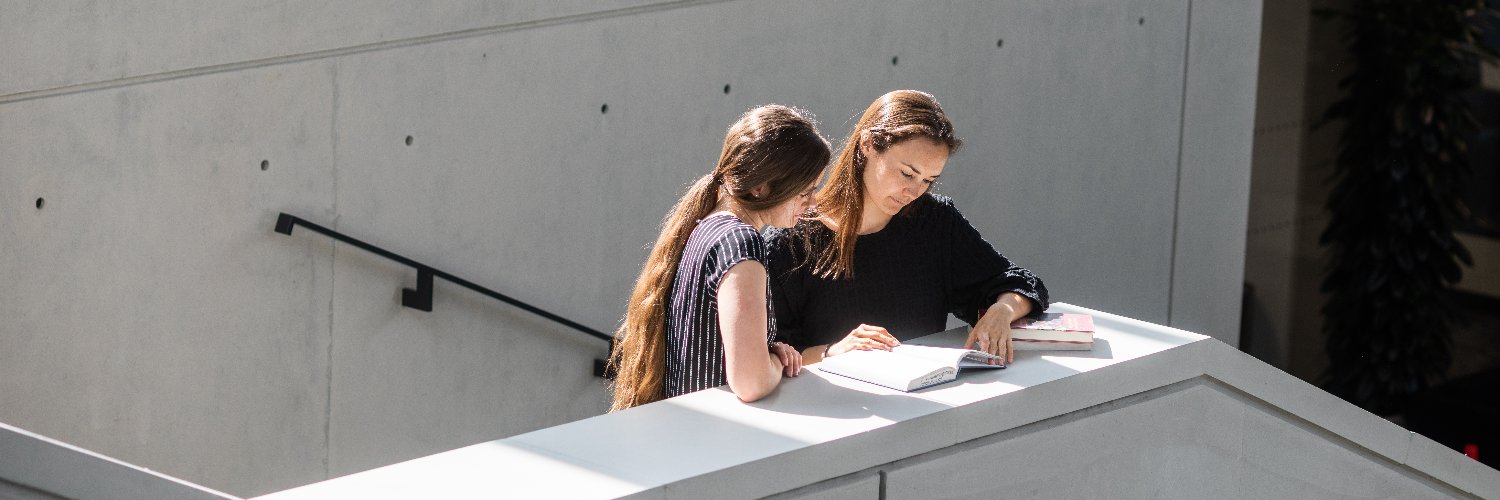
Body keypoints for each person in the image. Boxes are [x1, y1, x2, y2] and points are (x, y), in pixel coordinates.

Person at [767, 90, 1048, 366]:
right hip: (837, 407)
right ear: (868, 145)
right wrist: (833, 351)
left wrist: (1002, 310)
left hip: (926, 403)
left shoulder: (934, 221)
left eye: (928, 180)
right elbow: (768, 354)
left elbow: (1020, 282)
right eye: (907, 173)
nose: (914, 191)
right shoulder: (790, 241)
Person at [609, 105, 833, 411]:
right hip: (712, 437)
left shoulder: (706, 227)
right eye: (805, 191)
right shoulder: (742, 243)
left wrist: (766, 354)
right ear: (761, 187)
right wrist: (776, 362)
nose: (813, 202)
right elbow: (750, 382)